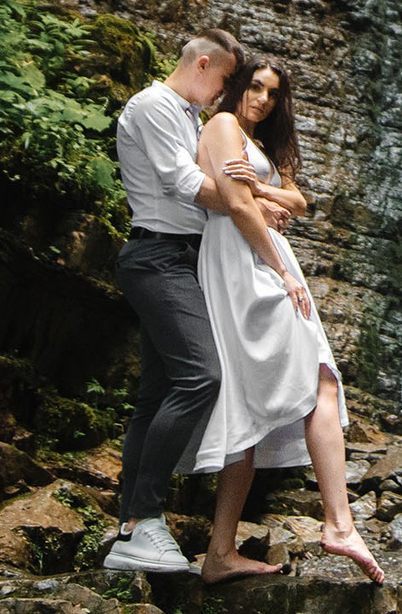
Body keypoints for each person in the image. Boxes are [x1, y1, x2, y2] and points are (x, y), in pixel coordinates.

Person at [103, 28, 293, 574]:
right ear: (204, 64)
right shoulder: (155, 105)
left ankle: (131, 528)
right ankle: (144, 519)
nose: (227, 93)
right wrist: (250, 204)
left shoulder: (189, 116)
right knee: (201, 376)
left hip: (184, 259)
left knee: (155, 394)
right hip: (158, 256)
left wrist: (250, 196)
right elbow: (183, 182)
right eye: (229, 80)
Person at [189, 56, 384, 585]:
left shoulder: (265, 145)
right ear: (237, 86)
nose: (262, 99)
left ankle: (220, 552)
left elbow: (295, 201)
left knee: (248, 405)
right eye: (255, 87)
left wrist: (262, 190)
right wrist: (281, 269)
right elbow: (235, 206)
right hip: (246, 259)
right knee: (321, 379)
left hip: (265, 257)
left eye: (273, 93)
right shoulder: (223, 124)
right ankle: (339, 524)